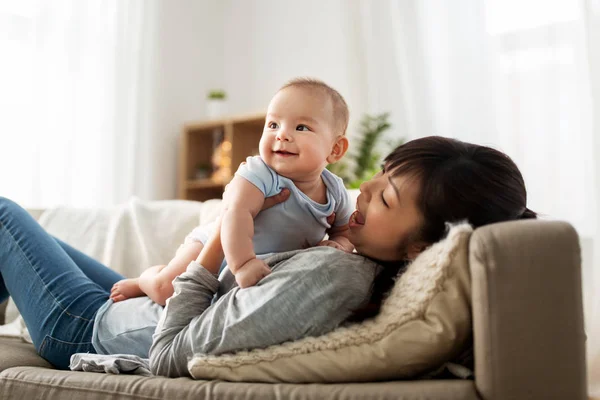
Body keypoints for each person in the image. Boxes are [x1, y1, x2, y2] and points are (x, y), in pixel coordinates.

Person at [0, 136, 536, 372]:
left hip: (88, 328)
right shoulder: (347, 251)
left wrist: (218, 239)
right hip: (132, 310)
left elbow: (169, 357)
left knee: (3, 213)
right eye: (379, 178)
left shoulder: (334, 276)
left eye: (387, 197)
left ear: (422, 246)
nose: (366, 192)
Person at [110, 77, 353, 300]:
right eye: (273, 124)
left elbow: (345, 230)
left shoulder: (334, 190)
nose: (282, 135)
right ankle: (145, 280)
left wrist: (339, 244)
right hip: (216, 246)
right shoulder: (259, 173)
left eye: (301, 127)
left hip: (258, 265)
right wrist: (244, 263)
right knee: (167, 291)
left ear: (335, 149)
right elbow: (237, 213)